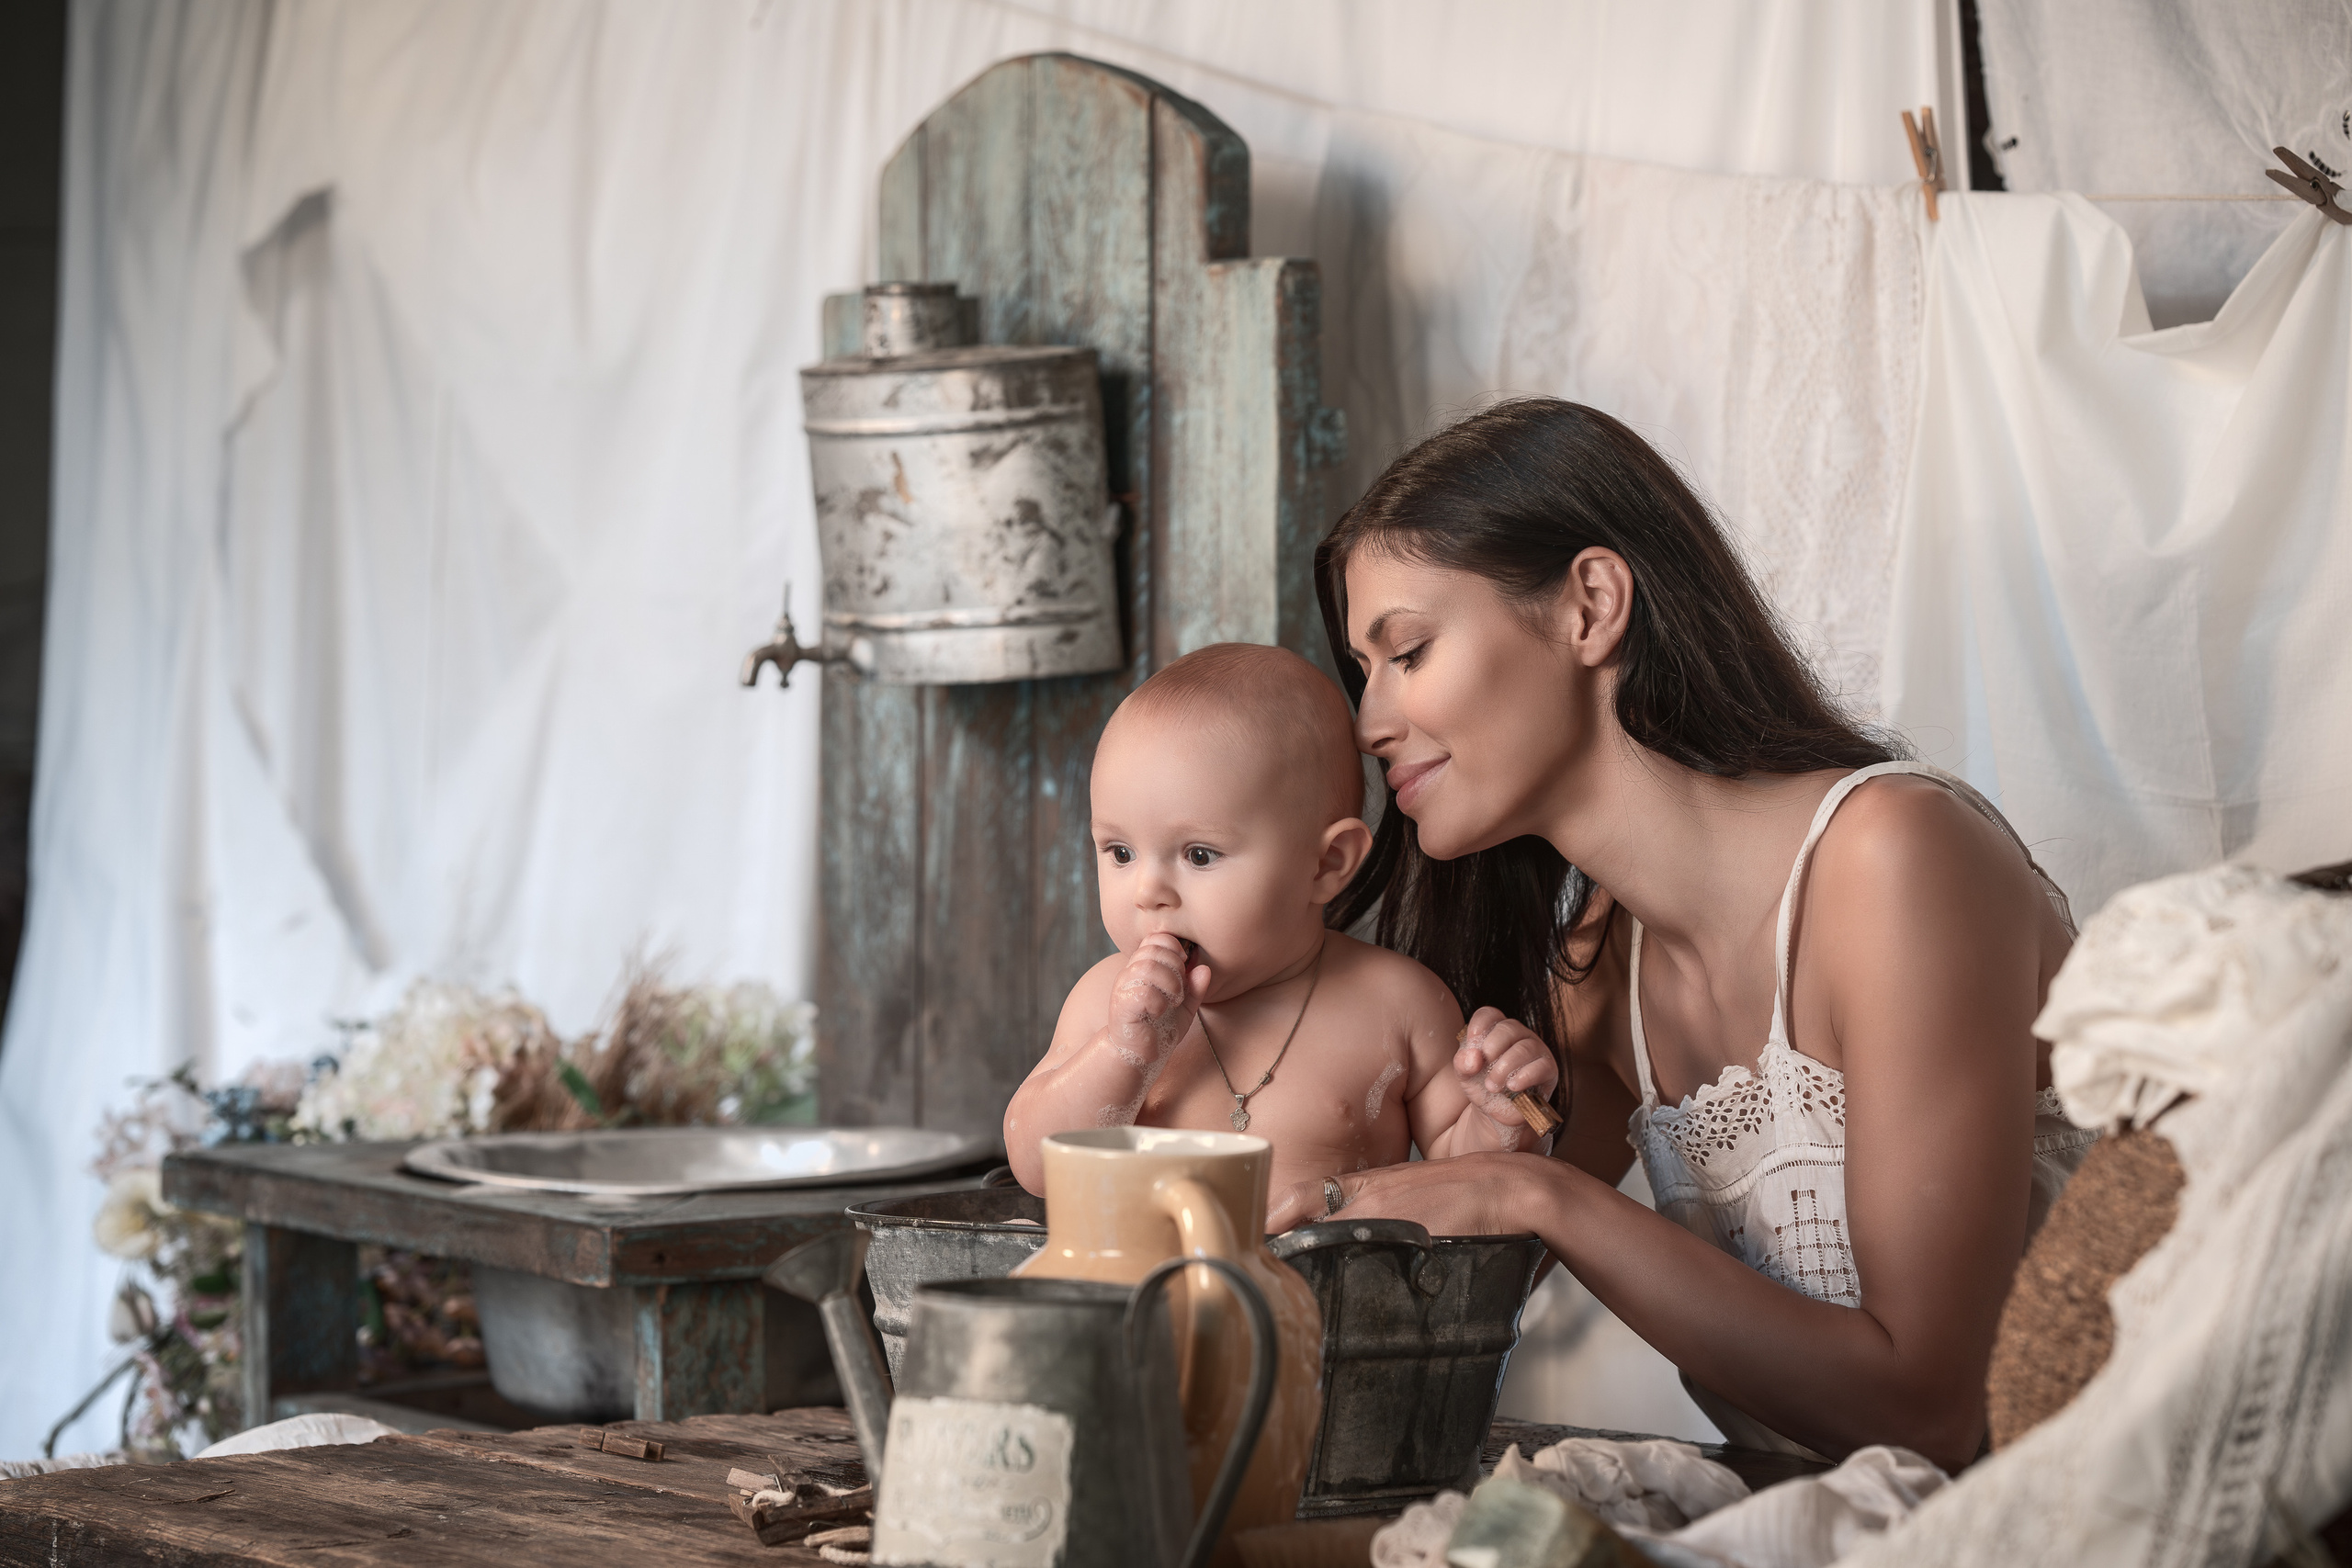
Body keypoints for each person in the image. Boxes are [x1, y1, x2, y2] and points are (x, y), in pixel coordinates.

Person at [1272, 398, 2096, 1472]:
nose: (1371, 721)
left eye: (1408, 651)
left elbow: (1932, 1414)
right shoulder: (1606, 978)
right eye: (1364, 671)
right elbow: (1427, 1324)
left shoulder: (1896, 858)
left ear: (1590, 606)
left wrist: (1531, 1192)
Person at [1001, 641, 1558, 1197]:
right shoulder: (1105, 1002)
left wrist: (1499, 1120)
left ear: (1326, 864)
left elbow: (1468, 1184)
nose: (1147, 892)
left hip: (1336, 1286)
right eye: (1120, 853)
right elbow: (1037, 1166)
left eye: (1199, 855)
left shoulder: (1399, 1004)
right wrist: (1126, 1053)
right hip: (1141, 1285)